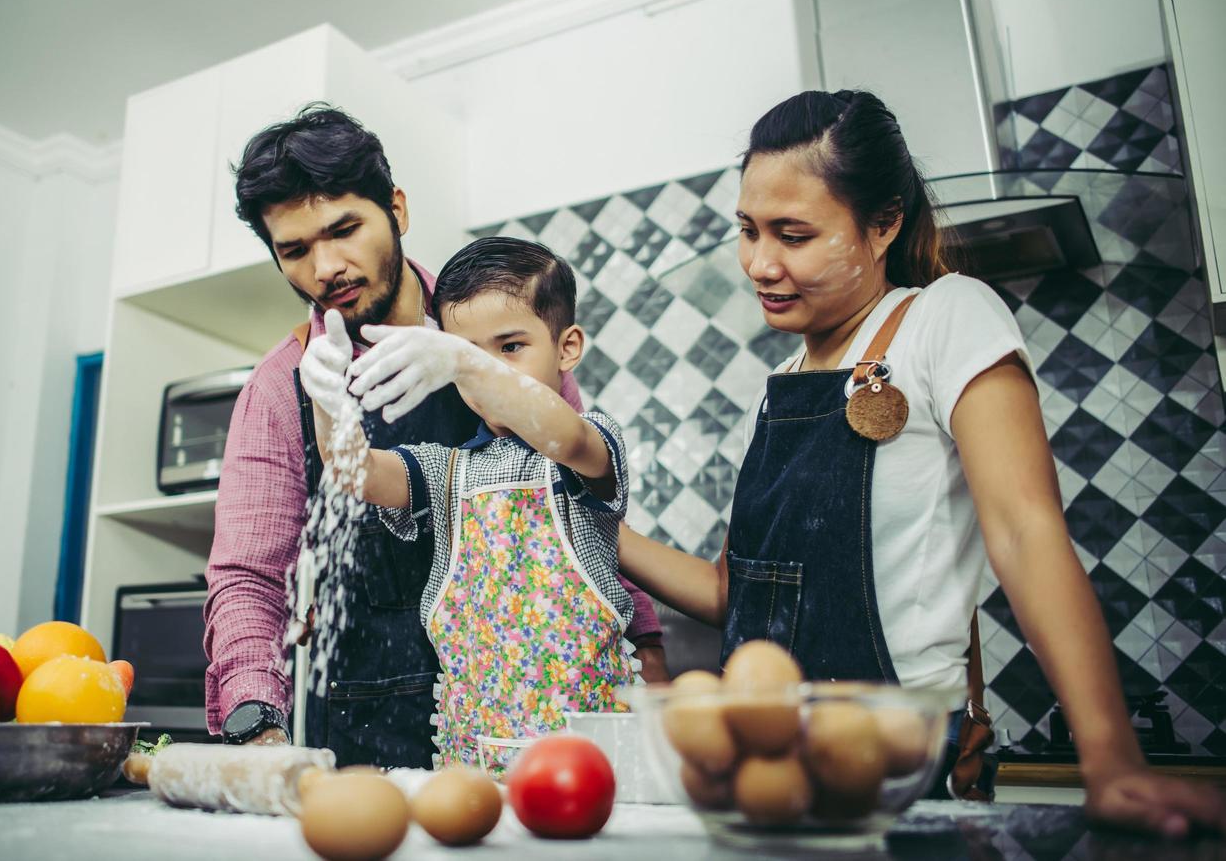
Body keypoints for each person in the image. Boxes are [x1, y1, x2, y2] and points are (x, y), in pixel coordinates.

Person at [618, 90, 1226, 836]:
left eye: (793, 233)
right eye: (746, 230)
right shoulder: (780, 386)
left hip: (893, 748)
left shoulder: (947, 316)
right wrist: (589, 525)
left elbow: (1024, 533)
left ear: (882, 225)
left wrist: (1110, 762)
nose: (760, 263)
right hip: (766, 755)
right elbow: (730, 592)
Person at [204, 105, 666, 766]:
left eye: (344, 229)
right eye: (295, 249)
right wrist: (256, 728)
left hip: (548, 712)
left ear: (395, 208)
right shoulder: (281, 387)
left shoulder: (495, 331)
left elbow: (578, 495)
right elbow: (249, 576)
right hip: (371, 720)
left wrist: (646, 650)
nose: (326, 266)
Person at [299, 237, 637, 773]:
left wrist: (468, 363)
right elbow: (351, 470)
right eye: (467, 355)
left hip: (587, 773)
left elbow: (565, 438)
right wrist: (327, 403)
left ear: (567, 347)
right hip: (471, 771)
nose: (486, 371)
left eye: (510, 347)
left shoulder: (586, 450)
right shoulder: (448, 471)